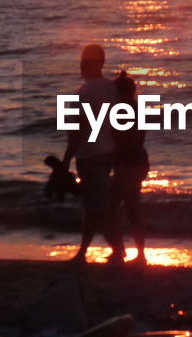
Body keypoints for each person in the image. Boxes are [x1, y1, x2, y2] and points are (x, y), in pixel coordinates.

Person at [61, 44, 125, 265]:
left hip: (90, 155)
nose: (80, 65)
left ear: (93, 64)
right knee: (94, 204)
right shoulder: (110, 88)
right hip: (108, 152)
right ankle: (85, 251)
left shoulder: (84, 92)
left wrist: (67, 158)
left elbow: (77, 131)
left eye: (84, 61)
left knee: (97, 206)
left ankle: (117, 249)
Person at [113, 70, 149, 266]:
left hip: (130, 164)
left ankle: (121, 250)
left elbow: (128, 140)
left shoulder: (124, 109)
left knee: (111, 206)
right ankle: (137, 253)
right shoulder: (135, 108)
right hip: (137, 162)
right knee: (131, 207)